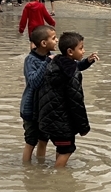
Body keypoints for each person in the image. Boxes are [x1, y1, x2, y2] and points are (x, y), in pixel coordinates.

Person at [37, 31, 98, 168]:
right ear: (70, 52)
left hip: (47, 120)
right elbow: (77, 103)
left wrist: (87, 62)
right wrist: (84, 127)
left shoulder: (54, 64)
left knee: (61, 148)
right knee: (67, 150)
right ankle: (58, 182)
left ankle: (46, 173)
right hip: (62, 124)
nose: (83, 51)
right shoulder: (72, 74)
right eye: (81, 48)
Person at [20, 24, 57, 163]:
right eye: (53, 38)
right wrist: (47, 62)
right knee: (31, 141)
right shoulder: (30, 60)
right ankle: (27, 170)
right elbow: (34, 82)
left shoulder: (52, 57)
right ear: (43, 43)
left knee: (43, 140)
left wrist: (86, 62)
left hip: (44, 108)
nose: (57, 40)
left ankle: (40, 168)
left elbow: (70, 67)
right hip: (31, 109)